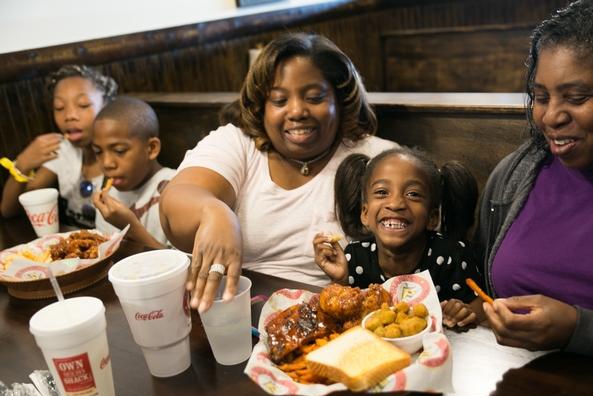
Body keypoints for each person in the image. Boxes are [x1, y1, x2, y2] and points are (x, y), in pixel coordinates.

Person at [474, 0, 593, 396]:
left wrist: (580, 329)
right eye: (540, 96)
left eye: (577, 97)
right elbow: (484, 287)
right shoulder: (514, 176)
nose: (551, 117)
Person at [159, 33, 398, 312]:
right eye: (279, 100)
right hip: (233, 313)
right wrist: (213, 211)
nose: (297, 111)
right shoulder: (237, 143)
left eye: (314, 97)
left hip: (339, 317)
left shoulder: (379, 159)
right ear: (261, 106)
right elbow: (175, 202)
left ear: (341, 99)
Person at [314, 148, 484, 328]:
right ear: (365, 213)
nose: (395, 204)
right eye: (381, 192)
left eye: (413, 194)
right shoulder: (355, 256)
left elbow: (483, 304)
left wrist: (464, 311)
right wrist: (340, 280)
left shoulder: (452, 255)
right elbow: (340, 317)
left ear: (432, 217)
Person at [0, 64, 118, 228]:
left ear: (106, 105)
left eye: (83, 105)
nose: (69, 116)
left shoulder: (122, 154)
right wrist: (23, 164)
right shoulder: (64, 150)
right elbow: (9, 209)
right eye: (59, 108)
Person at [91, 96, 175, 248]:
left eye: (119, 151)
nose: (106, 163)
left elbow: (185, 265)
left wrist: (132, 229)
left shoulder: (177, 188)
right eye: (98, 152)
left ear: (151, 148)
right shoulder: (105, 193)